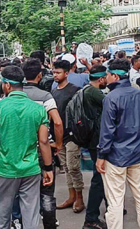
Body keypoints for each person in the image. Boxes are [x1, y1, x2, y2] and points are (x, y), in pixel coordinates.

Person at [0, 65, 54, 229]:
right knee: (31, 215)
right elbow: (43, 142)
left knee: (2, 216)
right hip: (31, 170)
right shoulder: (38, 110)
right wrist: (48, 168)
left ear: (6, 85)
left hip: (5, 170)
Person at [96, 59, 140, 229]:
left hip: (115, 156)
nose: (106, 77)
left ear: (114, 76)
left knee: (115, 200)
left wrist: (101, 155)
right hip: (137, 153)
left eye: (107, 74)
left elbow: (107, 131)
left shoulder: (111, 98)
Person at [14, 58, 64, 229]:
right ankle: (49, 223)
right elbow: (57, 122)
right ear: (40, 75)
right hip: (43, 150)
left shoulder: (13, 96)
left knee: (22, 191)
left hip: (19, 150)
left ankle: (21, 222)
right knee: (47, 191)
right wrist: (57, 143)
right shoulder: (45, 96)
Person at [52, 59, 85, 212]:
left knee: (73, 167)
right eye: (54, 72)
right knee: (66, 167)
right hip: (59, 136)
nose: (55, 75)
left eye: (58, 72)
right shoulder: (53, 91)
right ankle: (71, 196)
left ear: (67, 73)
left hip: (73, 135)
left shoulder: (76, 90)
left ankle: (79, 197)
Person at [82, 65, 109, 229]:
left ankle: (111, 206)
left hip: (93, 139)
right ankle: (91, 218)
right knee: (99, 179)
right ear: (101, 79)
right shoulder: (95, 93)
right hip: (96, 141)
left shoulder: (86, 89)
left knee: (102, 177)